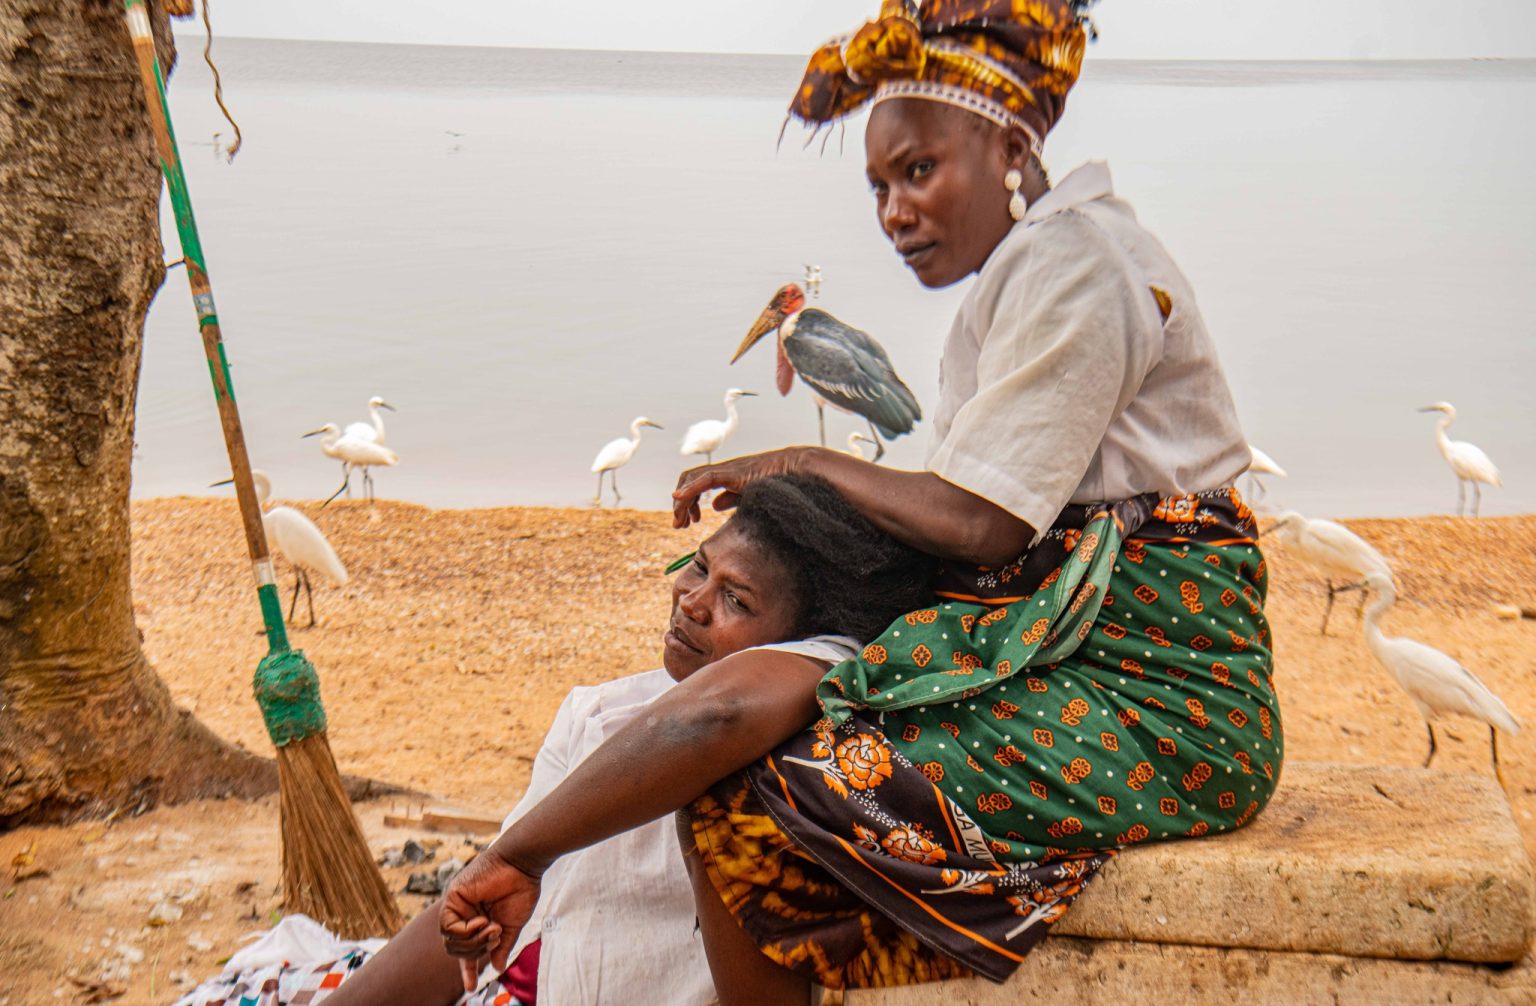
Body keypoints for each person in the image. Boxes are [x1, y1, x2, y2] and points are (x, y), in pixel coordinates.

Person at [440, 1, 1281, 1001]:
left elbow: (983, 522)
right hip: (1071, 653)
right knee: (755, 740)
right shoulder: (1035, 267)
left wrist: (804, 463)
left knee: (764, 791)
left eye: (919, 171)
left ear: (1011, 145)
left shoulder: (1077, 263)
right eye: (880, 184)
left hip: (1160, 701)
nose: (893, 212)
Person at [175, 474, 934, 1006]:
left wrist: (510, 863)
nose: (692, 602)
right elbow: (480, 927)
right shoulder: (604, 716)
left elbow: (716, 718)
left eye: (735, 599)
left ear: (808, 642)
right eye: (697, 569)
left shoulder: (810, 760)